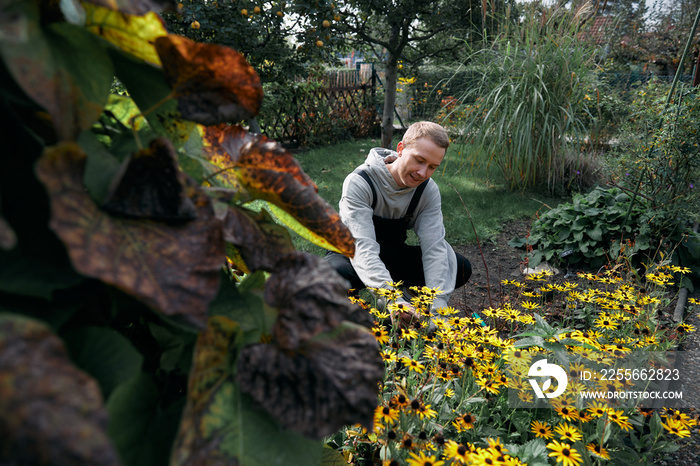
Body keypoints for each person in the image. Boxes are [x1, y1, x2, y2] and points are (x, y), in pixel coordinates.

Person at [325, 121, 471, 318]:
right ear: (401, 149)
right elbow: (362, 249)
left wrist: (438, 310)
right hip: (351, 255)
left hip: (391, 254)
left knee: (458, 264)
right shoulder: (360, 182)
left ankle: (413, 301)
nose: (423, 173)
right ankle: (356, 307)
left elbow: (434, 248)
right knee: (332, 276)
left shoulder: (427, 190)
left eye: (432, 167)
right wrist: (393, 300)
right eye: (419, 160)